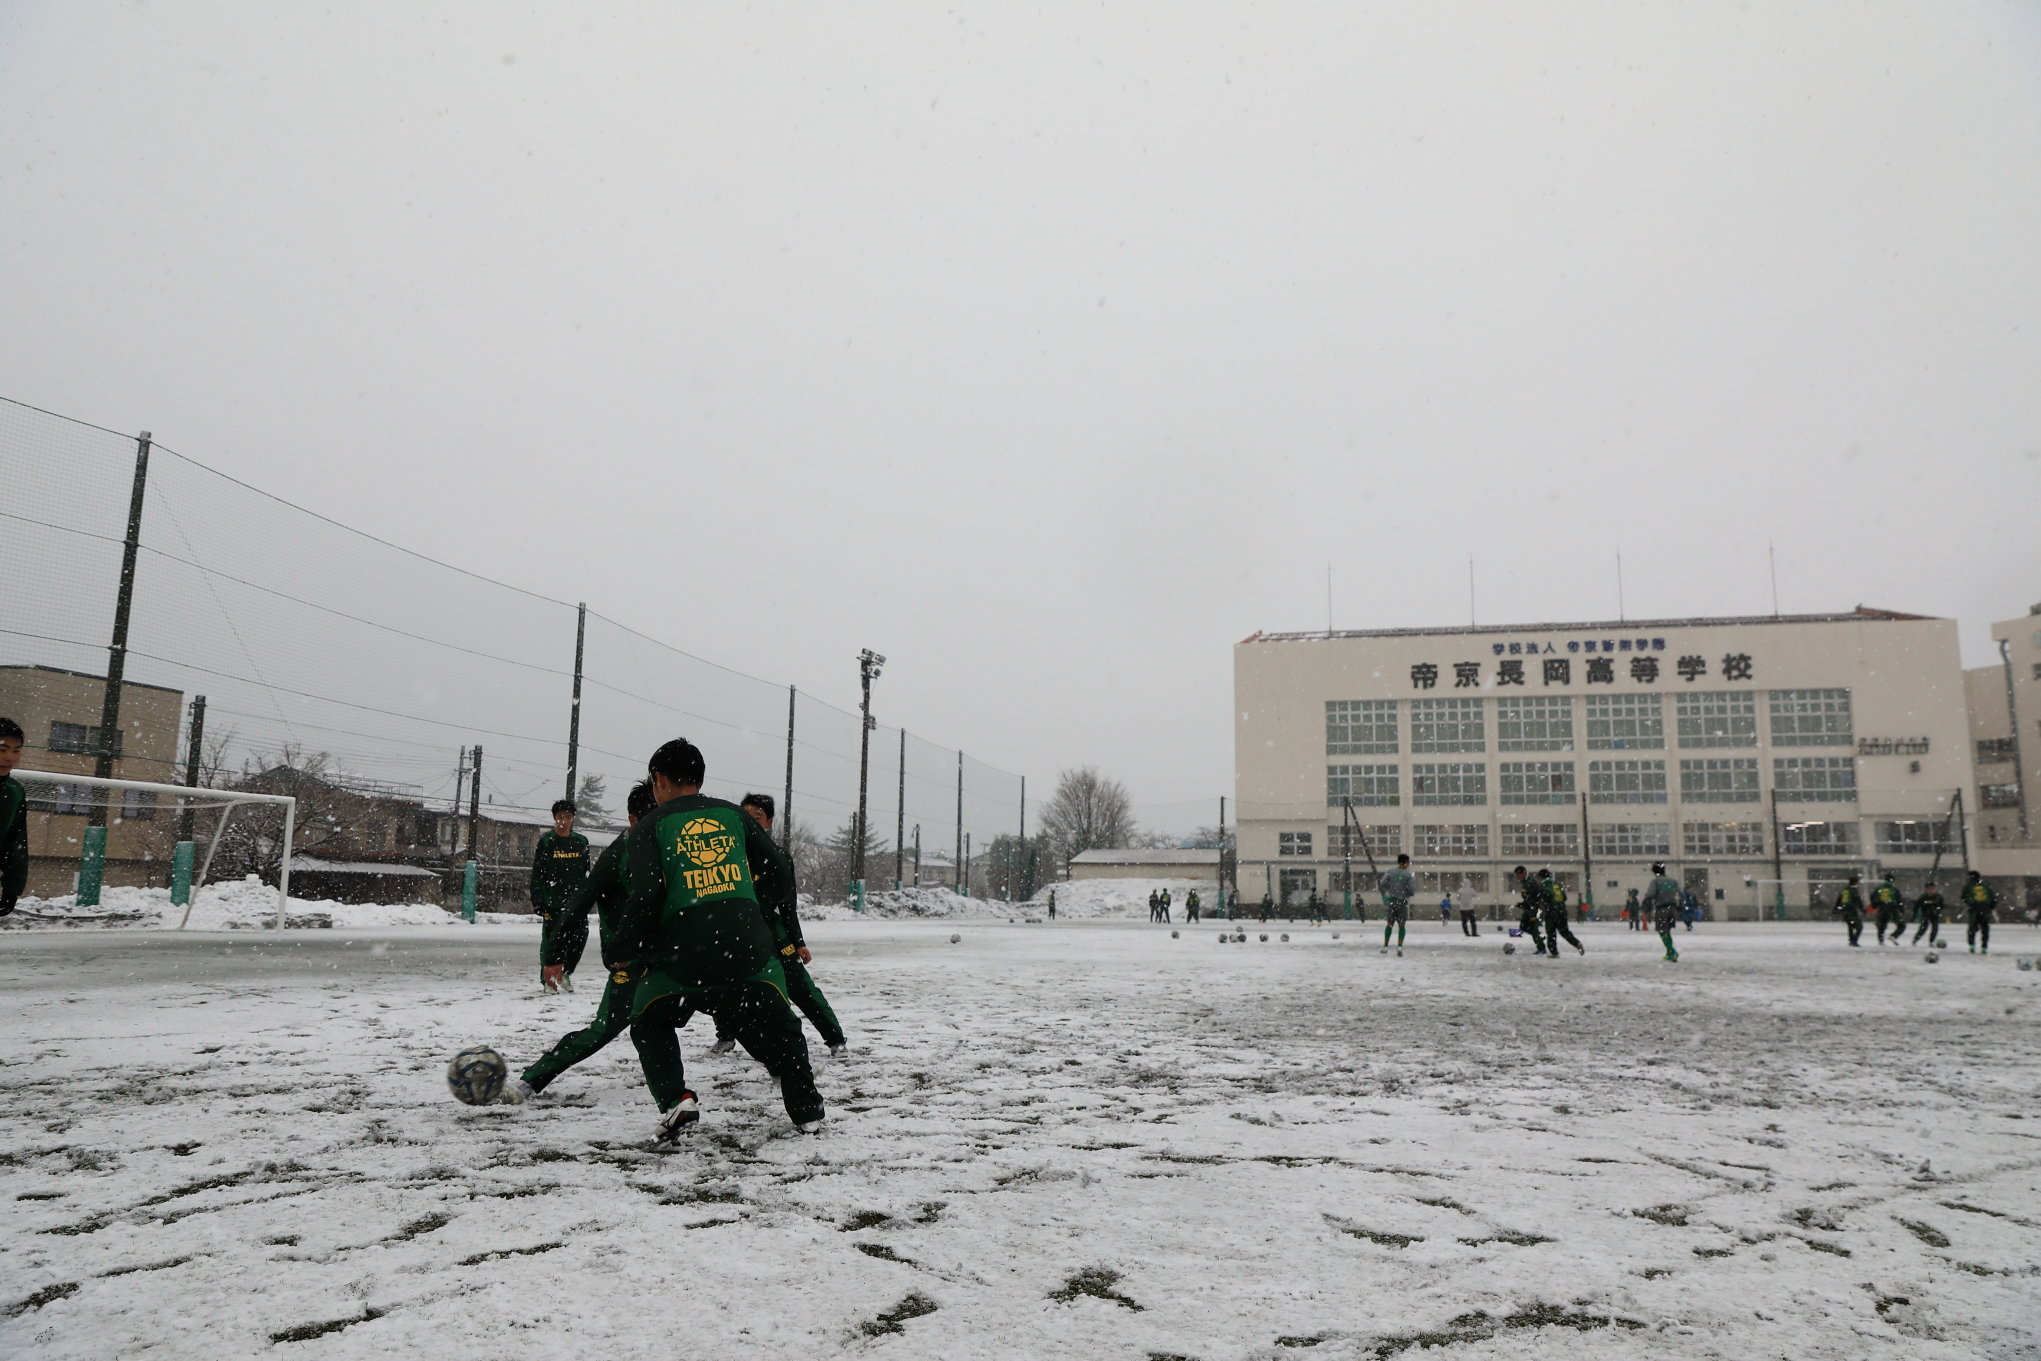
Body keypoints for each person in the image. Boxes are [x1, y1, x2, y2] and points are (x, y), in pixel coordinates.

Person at [610, 738, 824, 1142]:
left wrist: (620, 951)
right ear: (699, 778)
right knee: (782, 1021)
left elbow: (644, 899)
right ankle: (808, 1112)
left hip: (682, 954)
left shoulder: (650, 827)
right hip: (747, 947)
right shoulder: (732, 815)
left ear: (658, 780)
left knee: (648, 1018)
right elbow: (780, 870)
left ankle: (677, 1099)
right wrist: (750, 904)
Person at [503, 781, 658, 1103]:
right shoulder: (617, 856)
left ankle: (783, 1063)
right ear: (634, 820)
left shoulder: (665, 849)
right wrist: (555, 954)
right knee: (605, 1028)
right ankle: (532, 1079)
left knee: (740, 1002)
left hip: (674, 958)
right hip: (631, 961)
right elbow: (580, 901)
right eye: (655, 817)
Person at [709, 793, 846, 1057]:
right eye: (745, 816)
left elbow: (787, 904)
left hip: (772, 933)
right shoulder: (726, 853)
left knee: (800, 988)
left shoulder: (778, 856)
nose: (750, 821)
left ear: (769, 822)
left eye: (756, 817)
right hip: (734, 933)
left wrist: (799, 941)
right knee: (724, 987)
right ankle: (726, 1037)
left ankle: (835, 1040)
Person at [530, 799, 592, 991]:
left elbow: (586, 874)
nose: (563, 821)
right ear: (554, 818)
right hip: (552, 902)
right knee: (551, 942)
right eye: (560, 817)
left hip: (575, 903)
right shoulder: (547, 842)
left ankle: (566, 974)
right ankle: (548, 980)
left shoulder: (581, 842)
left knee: (579, 939)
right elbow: (537, 875)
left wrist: (586, 898)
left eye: (567, 817)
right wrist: (539, 900)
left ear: (573, 819)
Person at [0, 717, 26, 918]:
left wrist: (11, 889)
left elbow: (16, 842)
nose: (9, 757)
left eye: (16, 750)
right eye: (2, 750)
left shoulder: (14, 791)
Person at [1538, 869, 1586, 957]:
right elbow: (1564, 897)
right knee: (1565, 932)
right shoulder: (1558, 884)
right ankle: (1577, 943)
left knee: (1551, 933)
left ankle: (1554, 952)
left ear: (1541, 877)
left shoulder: (1542, 885)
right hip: (1561, 911)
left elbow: (1543, 899)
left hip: (1551, 912)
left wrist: (1544, 906)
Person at [1642, 861, 1682, 963]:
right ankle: (1669, 952)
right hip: (1672, 908)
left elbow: (1650, 894)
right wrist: (1680, 905)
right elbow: (1681, 893)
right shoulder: (1673, 881)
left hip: (1662, 908)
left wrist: (1646, 905)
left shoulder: (1655, 881)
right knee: (1668, 930)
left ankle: (1672, 951)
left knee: (1662, 931)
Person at [1379, 853, 1415, 955]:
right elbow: (1412, 891)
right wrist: (1405, 892)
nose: (1408, 865)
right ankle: (1399, 947)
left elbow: (1382, 883)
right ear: (1405, 863)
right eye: (1407, 863)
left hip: (1391, 901)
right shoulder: (1408, 875)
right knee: (1402, 925)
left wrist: (1390, 889)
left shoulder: (1390, 872)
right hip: (1402, 902)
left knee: (1389, 924)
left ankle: (1385, 946)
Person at [1511, 866, 1550, 956]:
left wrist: (1538, 905)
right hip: (1528, 909)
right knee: (1523, 927)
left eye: (1517, 874)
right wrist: (1523, 904)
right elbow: (1529, 897)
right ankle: (1539, 937)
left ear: (1523, 873)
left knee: (1533, 928)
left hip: (1534, 909)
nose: (1516, 877)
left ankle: (1541, 948)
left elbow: (1538, 895)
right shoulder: (1524, 883)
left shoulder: (1531, 882)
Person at [1961, 871, 1996, 955]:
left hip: (1974, 910)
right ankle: (1984, 946)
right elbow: (1993, 898)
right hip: (1985, 910)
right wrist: (1989, 907)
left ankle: (1972, 945)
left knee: (1972, 929)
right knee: (1985, 929)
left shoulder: (1968, 886)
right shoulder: (1985, 886)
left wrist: (1970, 903)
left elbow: (1963, 897)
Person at [1871, 872, 1907, 945]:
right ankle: (1894, 935)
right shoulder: (1894, 889)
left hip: (1882, 909)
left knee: (1882, 926)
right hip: (1892, 909)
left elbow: (1872, 896)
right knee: (1901, 925)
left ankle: (1881, 941)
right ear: (1893, 881)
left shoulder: (1879, 889)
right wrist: (1901, 909)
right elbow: (1899, 900)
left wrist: (1875, 905)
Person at [1833, 874, 1866, 947]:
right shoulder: (1854, 890)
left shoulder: (1845, 890)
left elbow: (1839, 900)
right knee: (1859, 927)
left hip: (1844, 910)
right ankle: (1854, 941)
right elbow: (1858, 901)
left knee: (1850, 926)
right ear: (1855, 883)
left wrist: (1836, 909)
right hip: (1851, 910)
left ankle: (1851, 940)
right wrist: (1863, 910)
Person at [1910, 881, 1946, 947]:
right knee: (1923, 928)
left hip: (1935, 915)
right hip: (1926, 915)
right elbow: (1916, 906)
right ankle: (1916, 939)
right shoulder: (1923, 897)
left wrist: (1938, 910)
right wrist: (1914, 916)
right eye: (1929, 888)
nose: (1931, 890)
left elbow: (1942, 905)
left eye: (1932, 888)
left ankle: (1931, 941)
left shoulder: (1938, 897)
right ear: (1927, 889)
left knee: (1935, 928)